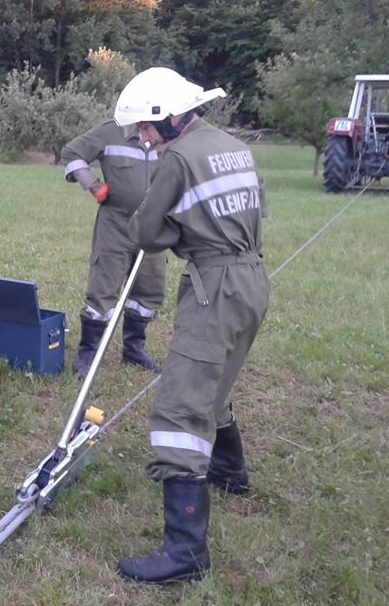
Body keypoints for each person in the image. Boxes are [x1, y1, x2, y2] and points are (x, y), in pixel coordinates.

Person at [113, 67, 269, 583]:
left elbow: (147, 232)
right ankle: (229, 471)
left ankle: (185, 552)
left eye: (145, 126)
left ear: (172, 116)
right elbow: (256, 207)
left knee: (179, 408)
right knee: (214, 381)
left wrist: (174, 232)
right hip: (252, 277)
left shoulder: (177, 158)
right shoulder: (234, 146)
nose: (143, 137)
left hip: (215, 285)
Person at [61, 119, 166, 375]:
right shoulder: (112, 130)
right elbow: (71, 153)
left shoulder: (169, 133)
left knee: (149, 290)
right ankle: (88, 352)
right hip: (115, 225)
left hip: (153, 226)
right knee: (103, 288)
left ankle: (134, 349)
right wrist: (92, 184)